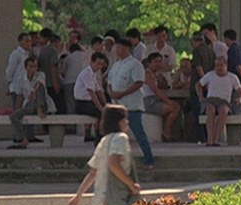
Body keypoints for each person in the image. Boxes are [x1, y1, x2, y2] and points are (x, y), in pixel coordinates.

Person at [67, 105, 141, 205]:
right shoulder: (121, 138)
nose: (127, 122)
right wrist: (131, 185)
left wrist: (78, 196)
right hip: (117, 201)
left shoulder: (104, 141)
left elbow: (93, 173)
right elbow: (114, 164)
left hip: (99, 202)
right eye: (125, 119)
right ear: (118, 122)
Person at [107, 38, 155, 167]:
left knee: (138, 133)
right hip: (117, 105)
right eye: (117, 48)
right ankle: (118, 161)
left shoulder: (135, 64)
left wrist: (122, 93)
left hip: (131, 105)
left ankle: (149, 159)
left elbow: (138, 82)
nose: (117, 50)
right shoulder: (116, 65)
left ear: (127, 48)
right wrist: (112, 92)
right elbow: (110, 81)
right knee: (116, 135)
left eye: (120, 47)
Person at [8, 57, 55, 150]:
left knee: (39, 88)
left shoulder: (40, 75)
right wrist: (17, 110)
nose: (33, 69)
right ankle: (22, 139)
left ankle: (40, 109)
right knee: (14, 116)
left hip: (42, 104)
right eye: (31, 66)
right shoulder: (21, 79)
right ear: (26, 67)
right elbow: (20, 96)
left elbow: (39, 84)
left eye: (35, 66)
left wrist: (33, 91)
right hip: (29, 105)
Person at [196, 57, 241, 147]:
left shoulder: (232, 77)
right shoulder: (210, 75)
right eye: (217, 65)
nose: (219, 68)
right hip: (211, 99)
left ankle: (216, 139)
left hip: (224, 101)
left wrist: (240, 98)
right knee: (210, 111)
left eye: (221, 65)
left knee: (223, 111)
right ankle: (210, 139)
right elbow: (198, 85)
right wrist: (200, 97)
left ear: (226, 66)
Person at [143, 52, 181, 142]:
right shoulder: (147, 74)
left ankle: (166, 131)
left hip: (155, 100)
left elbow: (164, 86)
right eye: (155, 62)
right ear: (149, 63)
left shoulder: (156, 74)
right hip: (149, 102)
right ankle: (166, 132)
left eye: (160, 62)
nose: (158, 64)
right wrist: (168, 102)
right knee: (174, 108)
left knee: (175, 106)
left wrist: (162, 79)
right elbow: (155, 90)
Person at [75, 52, 108, 142]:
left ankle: (92, 134)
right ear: (91, 62)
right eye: (98, 64)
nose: (99, 66)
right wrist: (100, 107)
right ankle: (99, 136)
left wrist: (106, 105)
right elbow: (91, 93)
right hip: (81, 103)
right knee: (100, 113)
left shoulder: (94, 75)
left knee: (105, 110)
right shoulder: (86, 73)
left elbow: (99, 91)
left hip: (88, 102)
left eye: (101, 64)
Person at [189, 33, 215, 142]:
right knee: (206, 111)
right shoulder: (211, 51)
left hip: (198, 85)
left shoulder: (196, 51)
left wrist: (204, 80)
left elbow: (198, 67)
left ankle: (200, 137)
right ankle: (208, 135)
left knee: (197, 111)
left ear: (194, 41)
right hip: (209, 86)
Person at [37, 28, 66, 114]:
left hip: (43, 82)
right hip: (50, 83)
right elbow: (53, 67)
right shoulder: (52, 51)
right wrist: (56, 84)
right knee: (59, 107)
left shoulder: (41, 51)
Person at [60, 43, 85, 114]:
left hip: (69, 82)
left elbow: (63, 72)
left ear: (70, 50)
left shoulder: (68, 58)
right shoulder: (84, 57)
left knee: (70, 103)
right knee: (80, 102)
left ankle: (71, 119)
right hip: (81, 83)